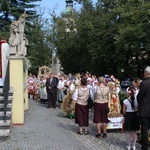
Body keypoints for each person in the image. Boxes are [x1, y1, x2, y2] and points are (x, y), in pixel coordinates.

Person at [137, 66, 150, 150]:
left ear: (146, 73)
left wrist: (140, 104)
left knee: (144, 129)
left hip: (145, 109)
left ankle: (145, 146)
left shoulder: (144, 83)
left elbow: (140, 96)